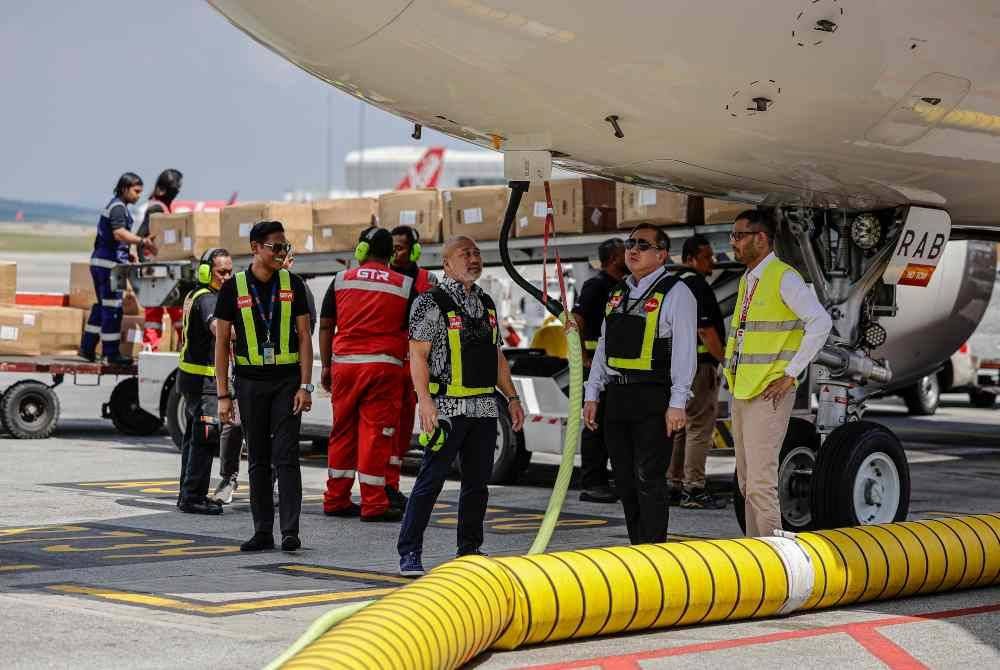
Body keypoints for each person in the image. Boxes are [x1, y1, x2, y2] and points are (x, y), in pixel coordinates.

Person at [397, 236, 525, 576]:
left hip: (484, 409)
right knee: (431, 482)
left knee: (477, 485)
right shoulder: (429, 303)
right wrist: (425, 403)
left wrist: (512, 398)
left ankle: (469, 549)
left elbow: (496, 356)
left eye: (477, 253)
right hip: (447, 410)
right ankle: (409, 552)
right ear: (447, 264)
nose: (473, 259)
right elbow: (418, 355)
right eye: (465, 253)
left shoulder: (486, 303)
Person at [582, 223, 697, 545]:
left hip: (653, 397)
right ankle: (638, 548)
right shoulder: (618, 291)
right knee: (625, 480)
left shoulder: (677, 293)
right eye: (630, 243)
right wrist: (593, 393)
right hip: (617, 397)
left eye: (643, 245)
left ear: (661, 255)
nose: (632, 249)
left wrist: (677, 403)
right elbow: (604, 346)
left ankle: (654, 550)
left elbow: (686, 351)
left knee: (650, 479)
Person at [726, 210, 832, 537]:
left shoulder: (783, 277)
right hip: (743, 389)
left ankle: (774, 555)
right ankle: (756, 550)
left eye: (739, 236)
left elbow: (821, 322)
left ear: (761, 238)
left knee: (760, 482)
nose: (733, 243)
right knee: (746, 482)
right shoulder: (749, 279)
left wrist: (791, 373)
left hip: (767, 392)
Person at [214, 221, 314, 552]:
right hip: (249, 383)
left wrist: (306, 386)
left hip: (286, 383)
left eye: (285, 247)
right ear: (255, 248)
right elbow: (222, 342)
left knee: (286, 457)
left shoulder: (294, 284)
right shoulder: (234, 288)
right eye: (276, 247)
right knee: (257, 457)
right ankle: (262, 531)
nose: (282, 253)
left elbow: (304, 337)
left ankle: (290, 531)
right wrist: (223, 395)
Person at [320, 227, 413, 522]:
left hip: (344, 366)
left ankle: (336, 498)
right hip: (383, 369)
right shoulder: (404, 285)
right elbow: (414, 330)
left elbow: (325, 325)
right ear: (391, 254)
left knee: (342, 432)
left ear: (360, 251)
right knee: (376, 435)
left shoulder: (340, 280)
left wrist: (326, 366)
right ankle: (374, 503)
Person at [667, 234, 727, 509]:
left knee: (682, 427)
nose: (712, 260)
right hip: (701, 366)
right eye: (707, 256)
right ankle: (694, 488)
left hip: (680, 365)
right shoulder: (697, 286)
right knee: (700, 427)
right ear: (690, 258)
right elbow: (705, 329)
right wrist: (724, 358)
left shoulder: (674, 286)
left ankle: (674, 483)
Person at [80, 173, 157, 365]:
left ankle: (87, 348)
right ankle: (111, 354)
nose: (139, 195)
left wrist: (126, 252)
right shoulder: (118, 208)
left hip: (101, 261)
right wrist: (142, 241)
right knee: (113, 309)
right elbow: (118, 233)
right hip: (110, 266)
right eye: (136, 191)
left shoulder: (115, 205)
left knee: (102, 305)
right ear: (125, 188)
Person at [176, 248, 232, 515]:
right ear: (206, 272)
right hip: (203, 380)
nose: (227, 276)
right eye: (221, 272)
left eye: (230, 271)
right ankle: (194, 497)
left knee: (193, 438)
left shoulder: (194, 295)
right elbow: (216, 329)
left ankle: (187, 493)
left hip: (190, 378)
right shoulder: (208, 300)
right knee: (206, 437)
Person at [571, 238, 626, 504]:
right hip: (596, 366)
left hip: (614, 366)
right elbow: (575, 322)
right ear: (615, 258)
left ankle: (608, 478)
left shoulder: (624, 286)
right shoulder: (596, 286)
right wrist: (583, 358)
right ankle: (593, 483)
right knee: (594, 426)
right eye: (626, 252)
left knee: (610, 425)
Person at [388, 225, 438, 511]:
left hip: (418, 363)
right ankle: (387, 485)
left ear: (415, 249)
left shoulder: (426, 280)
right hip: (393, 362)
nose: (396, 252)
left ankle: (398, 486)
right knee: (388, 429)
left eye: (401, 247)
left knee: (409, 428)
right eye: (392, 247)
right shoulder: (387, 278)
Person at [139, 169, 184, 351]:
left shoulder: (162, 207)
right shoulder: (156, 208)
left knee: (172, 313)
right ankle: (151, 349)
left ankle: (153, 349)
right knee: (162, 313)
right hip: (158, 271)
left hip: (163, 269)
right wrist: (147, 263)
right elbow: (141, 237)